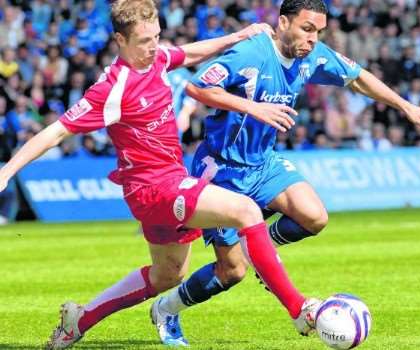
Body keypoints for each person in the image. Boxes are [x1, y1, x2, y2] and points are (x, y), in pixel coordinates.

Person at [0, 1, 320, 348]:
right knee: (246, 211)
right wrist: (8, 170)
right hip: (153, 189)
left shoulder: (157, 59)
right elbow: (55, 132)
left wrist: (239, 35)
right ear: (120, 41)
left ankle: (79, 320)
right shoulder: (111, 88)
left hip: (171, 181)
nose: (154, 47)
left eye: (157, 37)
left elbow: (188, 53)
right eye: (144, 41)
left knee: (169, 274)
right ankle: (298, 309)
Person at [152, 0, 420, 345]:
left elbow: (358, 78)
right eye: (306, 29)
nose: (313, 39)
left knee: (314, 216)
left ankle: (259, 250)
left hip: (264, 163)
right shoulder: (251, 54)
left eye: (318, 31)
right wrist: (252, 107)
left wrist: (407, 106)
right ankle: (166, 309)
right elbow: (198, 87)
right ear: (283, 22)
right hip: (222, 170)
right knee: (231, 273)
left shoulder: (313, 56)